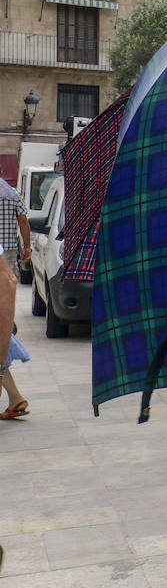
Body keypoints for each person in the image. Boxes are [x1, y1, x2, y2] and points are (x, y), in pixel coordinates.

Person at [0, 179, 30, 420]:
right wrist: (26, 246)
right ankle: (15, 397)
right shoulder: (11, 193)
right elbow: (22, 219)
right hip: (8, 250)